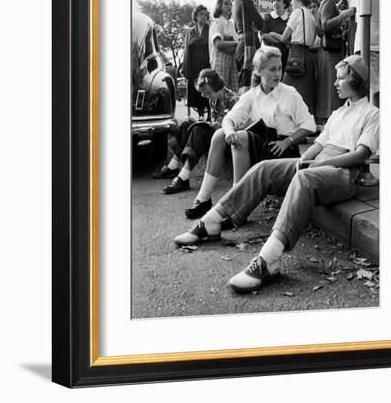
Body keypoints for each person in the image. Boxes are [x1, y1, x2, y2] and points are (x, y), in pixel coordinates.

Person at [174, 55, 379, 293]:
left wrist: (319, 165)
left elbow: (361, 155)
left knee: (303, 178)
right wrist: (303, 159)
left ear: (355, 80)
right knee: (264, 169)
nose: (335, 83)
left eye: (340, 78)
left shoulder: (372, 113)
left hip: (343, 172)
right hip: (320, 163)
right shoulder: (338, 113)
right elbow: (319, 143)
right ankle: (212, 221)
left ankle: (270, 258)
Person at [183, 46, 316, 220]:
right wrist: (229, 132)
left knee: (242, 137)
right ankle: (204, 198)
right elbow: (228, 119)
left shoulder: (290, 94)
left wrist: (288, 141)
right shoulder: (251, 95)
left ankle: (235, 206)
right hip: (259, 146)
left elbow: (310, 125)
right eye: (272, 69)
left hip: (280, 150)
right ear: (259, 71)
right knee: (220, 135)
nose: (278, 73)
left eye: (279, 68)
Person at [152, 69, 238, 193]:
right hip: (216, 134)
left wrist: (213, 125)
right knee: (187, 124)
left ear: (214, 85)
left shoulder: (233, 100)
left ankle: (183, 177)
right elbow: (214, 120)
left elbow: (234, 127)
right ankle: (173, 165)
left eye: (207, 92)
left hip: (227, 140)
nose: (204, 96)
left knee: (198, 130)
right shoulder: (213, 98)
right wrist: (204, 121)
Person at [315, 0, 356, 125]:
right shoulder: (329, 2)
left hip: (328, 52)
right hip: (329, 52)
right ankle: (330, 121)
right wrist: (344, 14)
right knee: (332, 86)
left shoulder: (329, 3)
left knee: (330, 85)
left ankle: (329, 121)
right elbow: (325, 25)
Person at [281, 0, 317, 114]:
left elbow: (284, 38)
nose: (291, 3)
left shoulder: (297, 13)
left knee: (285, 91)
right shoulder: (312, 17)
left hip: (296, 55)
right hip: (308, 56)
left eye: (292, 0)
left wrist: (272, 35)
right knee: (305, 95)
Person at [232, 0, 264, 94]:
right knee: (251, 80)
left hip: (240, 43)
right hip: (249, 44)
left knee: (243, 80)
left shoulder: (236, 1)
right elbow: (260, 23)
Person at [181, 4, 211, 118]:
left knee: (208, 86)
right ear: (196, 16)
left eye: (206, 14)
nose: (204, 16)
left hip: (207, 63)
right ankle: (200, 115)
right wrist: (186, 68)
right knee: (196, 88)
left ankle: (209, 114)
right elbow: (186, 50)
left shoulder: (210, 29)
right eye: (201, 14)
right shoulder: (189, 32)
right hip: (194, 63)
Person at [209, 0, 239, 93]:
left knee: (233, 91)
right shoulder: (215, 22)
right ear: (219, 6)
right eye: (226, 3)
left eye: (231, 4)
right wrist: (234, 43)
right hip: (220, 61)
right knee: (221, 91)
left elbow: (235, 44)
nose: (229, 6)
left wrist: (230, 42)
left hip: (232, 60)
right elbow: (218, 44)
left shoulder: (231, 24)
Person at [260, 0, 290, 74]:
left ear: (284, 3)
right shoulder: (267, 18)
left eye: (278, 0)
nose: (275, 3)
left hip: (286, 59)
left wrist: (273, 36)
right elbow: (264, 36)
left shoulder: (289, 19)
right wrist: (282, 39)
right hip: (270, 58)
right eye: (274, 0)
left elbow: (290, 41)